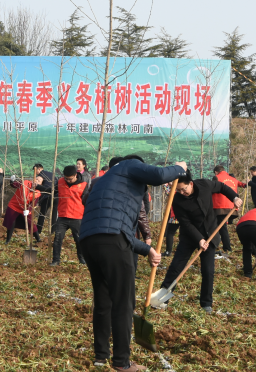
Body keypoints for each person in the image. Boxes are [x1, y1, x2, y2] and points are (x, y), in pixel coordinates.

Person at [80, 156, 185, 371]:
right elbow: (159, 175)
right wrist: (179, 169)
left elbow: (117, 228)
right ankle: (121, 362)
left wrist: (147, 250)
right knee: (123, 302)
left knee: (103, 301)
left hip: (89, 240)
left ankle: (101, 356)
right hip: (111, 241)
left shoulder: (103, 181)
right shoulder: (129, 165)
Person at [154, 170, 242, 313]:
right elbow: (185, 223)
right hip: (190, 236)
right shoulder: (177, 200)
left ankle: (206, 303)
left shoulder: (205, 185)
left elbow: (222, 187)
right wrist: (199, 239)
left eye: (184, 189)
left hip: (210, 233)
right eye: (179, 190)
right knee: (176, 267)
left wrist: (234, 197)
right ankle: (162, 299)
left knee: (208, 271)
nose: (182, 192)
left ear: (191, 183)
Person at [50, 165, 86, 266]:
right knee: (57, 238)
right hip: (62, 216)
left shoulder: (84, 184)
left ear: (75, 175)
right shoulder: (61, 181)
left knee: (78, 239)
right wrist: (38, 187)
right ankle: (56, 260)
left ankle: (81, 258)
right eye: (66, 178)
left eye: (70, 179)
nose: (68, 180)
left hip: (77, 216)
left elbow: (86, 200)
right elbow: (53, 191)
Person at [211, 165, 246, 254]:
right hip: (232, 207)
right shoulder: (233, 179)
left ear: (216, 172)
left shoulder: (216, 177)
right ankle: (218, 244)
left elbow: (212, 190)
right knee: (219, 226)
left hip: (219, 207)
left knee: (221, 227)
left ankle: (227, 247)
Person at [4, 173, 42, 243]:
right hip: (14, 205)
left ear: (41, 184)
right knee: (11, 221)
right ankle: (8, 240)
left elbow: (33, 203)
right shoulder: (25, 183)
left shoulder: (38, 193)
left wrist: (28, 210)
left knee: (30, 223)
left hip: (25, 208)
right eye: (36, 179)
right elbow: (14, 185)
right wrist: (12, 181)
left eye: (39, 181)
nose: (36, 181)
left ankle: (38, 239)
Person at [32, 163, 56, 239]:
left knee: (42, 214)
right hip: (56, 195)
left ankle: (38, 231)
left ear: (39, 169)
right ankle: (53, 231)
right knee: (54, 215)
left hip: (47, 196)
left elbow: (38, 183)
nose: (35, 174)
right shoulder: (52, 174)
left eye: (35, 171)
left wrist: (35, 184)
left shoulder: (41, 174)